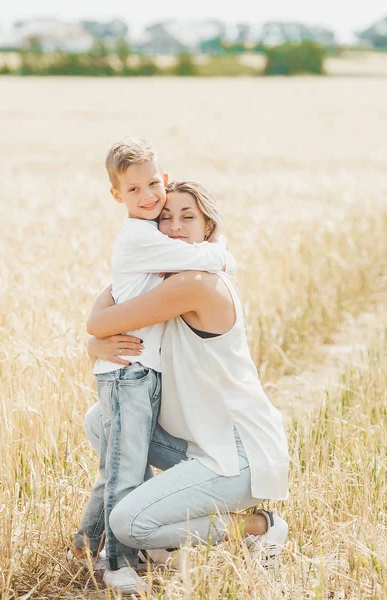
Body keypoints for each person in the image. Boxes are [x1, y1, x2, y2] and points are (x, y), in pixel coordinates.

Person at [83, 180, 290, 592]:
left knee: (126, 523)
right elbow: (110, 303)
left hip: (240, 455)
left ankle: (257, 527)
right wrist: (96, 341)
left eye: (187, 217)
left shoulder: (195, 283)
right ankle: (160, 521)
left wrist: (94, 338)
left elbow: (101, 318)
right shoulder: (164, 279)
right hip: (202, 444)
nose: (174, 226)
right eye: (165, 218)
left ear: (208, 227)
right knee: (100, 419)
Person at [72, 138, 235, 595]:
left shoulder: (152, 235)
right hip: (130, 373)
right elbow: (195, 258)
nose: (147, 197)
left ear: (163, 181)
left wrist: (94, 336)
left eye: (152, 185)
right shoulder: (141, 237)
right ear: (116, 197)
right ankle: (117, 561)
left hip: (138, 371)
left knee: (118, 465)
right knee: (125, 470)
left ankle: (86, 545)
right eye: (133, 190)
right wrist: (224, 253)